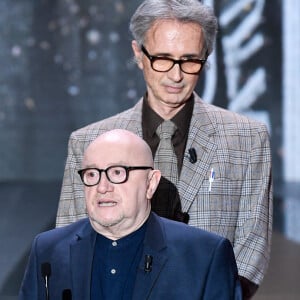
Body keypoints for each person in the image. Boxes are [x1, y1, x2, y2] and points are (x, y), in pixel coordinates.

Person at [56, 0, 273, 298]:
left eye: (190, 60)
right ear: (138, 54)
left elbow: (252, 247)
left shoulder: (246, 139)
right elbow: (70, 242)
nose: (176, 75)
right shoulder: (88, 141)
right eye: (163, 59)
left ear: (205, 58)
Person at [19, 129, 242, 300]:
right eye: (92, 174)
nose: (102, 186)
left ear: (151, 183)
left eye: (117, 172)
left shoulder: (205, 255)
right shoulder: (47, 249)